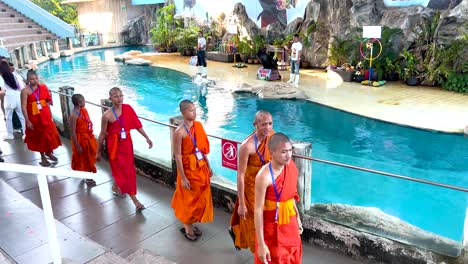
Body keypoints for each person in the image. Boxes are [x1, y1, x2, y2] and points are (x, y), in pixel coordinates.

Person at [96, 87, 153, 211]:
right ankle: (135, 200)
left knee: (127, 169)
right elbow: (102, 134)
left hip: (127, 144)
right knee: (124, 172)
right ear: (110, 98)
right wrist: (98, 151)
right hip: (114, 147)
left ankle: (115, 187)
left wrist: (146, 137)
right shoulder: (107, 116)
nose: (119, 98)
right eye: (116, 96)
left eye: (121, 95)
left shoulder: (128, 109)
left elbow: (136, 124)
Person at [254, 133, 303, 264]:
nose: (288, 155)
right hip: (271, 227)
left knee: (293, 253)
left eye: (290, 150)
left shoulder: (290, 166)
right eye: (283, 152)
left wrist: (297, 216)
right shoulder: (263, 177)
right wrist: (261, 244)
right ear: (272, 153)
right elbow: (258, 210)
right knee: (275, 258)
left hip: (290, 221)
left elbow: (291, 194)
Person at [229, 110, 274, 252]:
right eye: (263, 124)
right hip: (252, 189)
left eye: (270, 124)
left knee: (266, 220)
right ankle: (259, 251)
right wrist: (241, 203)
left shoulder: (272, 137)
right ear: (255, 125)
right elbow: (240, 175)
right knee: (254, 222)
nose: (267, 127)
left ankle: (236, 232)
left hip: (267, 187)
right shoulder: (247, 146)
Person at [171, 99, 213, 241]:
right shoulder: (179, 132)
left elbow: (202, 149)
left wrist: (209, 166)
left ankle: (190, 222)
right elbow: (177, 155)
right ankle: (187, 226)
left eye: (194, 110)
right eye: (190, 110)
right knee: (189, 199)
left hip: (200, 167)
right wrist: (182, 177)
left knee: (199, 198)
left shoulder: (198, 126)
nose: (194, 112)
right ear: (183, 112)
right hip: (188, 170)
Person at [21, 70, 62, 166]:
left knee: (48, 135)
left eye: (36, 78)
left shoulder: (43, 87)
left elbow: (48, 101)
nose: (34, 81)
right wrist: (27, 120)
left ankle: (48, 152)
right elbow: (23, 106)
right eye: (32, 79)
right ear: (28, 80)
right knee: (39, 137)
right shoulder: (25, 91)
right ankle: (43, 156)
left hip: (45, 115)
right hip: (34, 117)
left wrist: (50, 114)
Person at [69, 94, 97, 186]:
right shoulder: (73, 115)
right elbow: (73, 132)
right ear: (79, 103)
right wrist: (77, 145)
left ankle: (87, 173)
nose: (85, 102)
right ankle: (87, 176)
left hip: (87, 136)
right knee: (83, 157)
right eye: (83, 101)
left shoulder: (83, 110)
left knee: (89, 155)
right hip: (80, 138)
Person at [0, 60, 25, 140]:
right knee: (22, 116)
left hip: (9, 98)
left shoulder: (1, 77)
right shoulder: (14, 75)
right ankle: (25, 134)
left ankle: (10, 135)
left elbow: (3, 90)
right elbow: (22, 87)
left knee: (8, 117)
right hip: (18, 96)